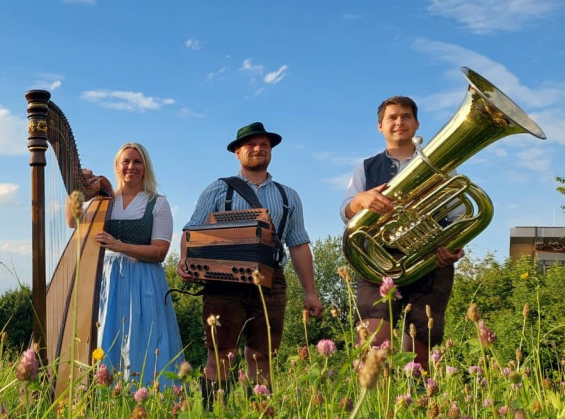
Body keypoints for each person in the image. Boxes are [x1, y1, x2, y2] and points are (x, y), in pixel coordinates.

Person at [185, 122, 323, 396]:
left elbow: (298, 244)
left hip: (272, 280)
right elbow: (192, 229)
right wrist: (186, 261)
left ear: (271, 151)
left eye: (264, 145)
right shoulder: (217, 190)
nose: (259, 149)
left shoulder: (288, 196)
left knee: (264, 356)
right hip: (222, 281)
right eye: (251, 145)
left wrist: (311, 292)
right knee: (220, 353)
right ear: (237, 152)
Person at [340, 95, 462, 371]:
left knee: (421, 344)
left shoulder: (441, 164)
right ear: (380, 126)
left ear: (417, 124)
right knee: (373, 344)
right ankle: (373, 407)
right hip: (378, 263)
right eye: (392, 117)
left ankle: (416, 401)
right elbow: (345, 211)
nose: (399, 122)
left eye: (406, 116)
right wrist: (362, 201)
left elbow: (457, 217)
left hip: (429, 264)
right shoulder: (366, 167)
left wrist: (453, 247)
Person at [75, 143, 185, 386]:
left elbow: (160, 251)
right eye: (126, 161)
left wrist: (119, 245)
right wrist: (76, 195)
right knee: (108, 335)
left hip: (144, 280)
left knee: (144, 339)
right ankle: (108, 397)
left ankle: (150, 396)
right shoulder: (103, 202)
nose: (131, 167)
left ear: (145, 167)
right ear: (116, 166)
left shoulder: (157, 203)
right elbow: (74, 224)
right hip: (108, 281)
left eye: (137, 161)